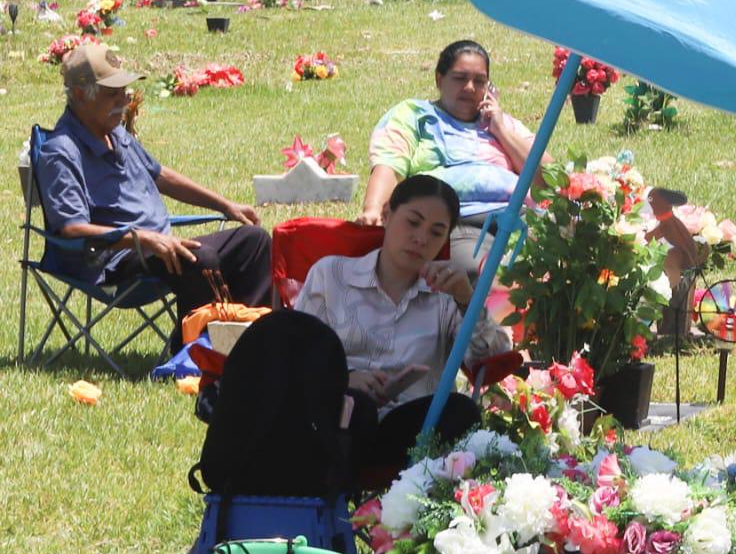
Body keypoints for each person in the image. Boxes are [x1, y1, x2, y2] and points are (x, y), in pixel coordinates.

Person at [34, 44, 271, 341]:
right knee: (201, 259)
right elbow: (71, 229)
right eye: (112, 93)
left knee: (254, 241)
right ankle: (195, 352)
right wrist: (142, 237)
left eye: (124, 90)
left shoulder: (115, 132)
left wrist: (226, 205)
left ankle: (256, 340)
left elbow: (160, 175)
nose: (124, 99)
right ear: (80, 94)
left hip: (159, 247)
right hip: (116, 259)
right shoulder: (61, 152)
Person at [295, 174, 510, 471]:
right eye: (413, 222)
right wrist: (344, 379)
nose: (421, 239)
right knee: (354, 406)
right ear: (386, 214)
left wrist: (467, 301)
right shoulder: (331, 275)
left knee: (462, 410)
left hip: (409, 433)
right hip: (337, 420)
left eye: (436, 233)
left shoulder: (447, 295)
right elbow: (297, 356)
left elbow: (491, 360)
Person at [356, 39, 543, 276]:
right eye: (459, 78)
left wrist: (500, 128)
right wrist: (373, 209)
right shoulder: (416, 115)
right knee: (482, 274)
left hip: (521, 216)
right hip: (461, 221)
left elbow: (547, 180)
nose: (469, 87)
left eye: (479, 81)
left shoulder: (502, 123)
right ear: (439, 79)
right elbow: (389, 163)